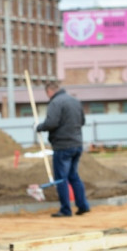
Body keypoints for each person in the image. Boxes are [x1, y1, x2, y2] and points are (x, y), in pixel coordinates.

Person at [35, 81, 90, 218]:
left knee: (61, 178)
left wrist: (39, 127)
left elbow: (52, 122)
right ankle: (82, 205)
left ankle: (66, 209)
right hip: (77, 144)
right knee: (73, 176)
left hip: (62, 146)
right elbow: (82, 121)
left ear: (49, 91)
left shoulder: (56, 103)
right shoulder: (75, 101)